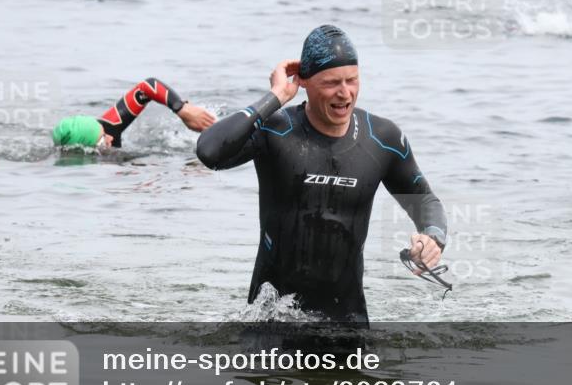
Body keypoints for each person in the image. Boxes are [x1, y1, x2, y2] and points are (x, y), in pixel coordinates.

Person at [195, 25, 448, 323]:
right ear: (303, 81)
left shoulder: (382, 138)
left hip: (347, 322)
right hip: (271, 321)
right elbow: (210, 152)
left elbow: (425, 200)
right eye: (331, 83)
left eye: (352, 80)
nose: (345, 93)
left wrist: (433, 238)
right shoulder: (276, 131)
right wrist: (274, 97)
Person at [52, 78, 215, 148]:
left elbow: (147, 87)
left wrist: (181, 108)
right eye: (102, 141)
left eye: (104, 133)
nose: (110, 137)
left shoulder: (109, 127)